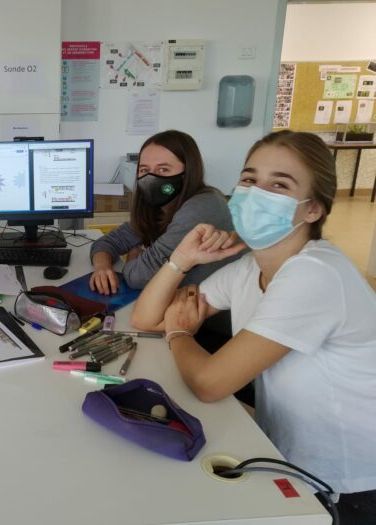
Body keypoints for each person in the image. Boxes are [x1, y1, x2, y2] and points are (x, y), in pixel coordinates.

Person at [131, 130, 376, 523]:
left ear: (313, 209)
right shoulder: (250, 267)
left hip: (348, 482)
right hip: (286, 453)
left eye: (279, 185)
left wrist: (179, 333)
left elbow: (210, 383)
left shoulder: (316, 273)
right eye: (249, 179)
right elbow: (145, 319)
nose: (256, 193)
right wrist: (182, 259)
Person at [89, 130, 236, 295]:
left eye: (163, 169)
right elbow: (108, 242)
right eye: (144, 170)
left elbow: (137, 277)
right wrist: (102, 267)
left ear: (188, 172)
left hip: (219, 308)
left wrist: (134, 255)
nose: (151, 178)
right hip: (184, 300)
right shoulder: (160, 206)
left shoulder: (201, 208)